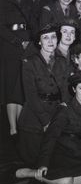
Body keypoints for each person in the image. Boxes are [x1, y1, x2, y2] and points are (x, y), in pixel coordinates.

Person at [15, 70, 81, 184]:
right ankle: (35, 174)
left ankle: (67, 179)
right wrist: (43, 163)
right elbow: (51, 137)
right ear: (74, 89)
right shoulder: (65, 110)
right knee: (65, 183)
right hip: (63, 155)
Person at [18, 24, 70, 166]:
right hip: (34, 119)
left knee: (58, 162)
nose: (50, 41)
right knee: (36, 162)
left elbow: (65, 90)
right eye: (45, 38)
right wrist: (46, 121)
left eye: (53, 37)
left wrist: (64, 112)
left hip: (56, 113)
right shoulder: (29, 63)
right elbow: (31, 96)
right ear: (39, 41)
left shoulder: (62, 62)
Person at [0, 0, 33, 137]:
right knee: (11, 87)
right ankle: (13, 128)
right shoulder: (3, 0)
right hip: (11, 49)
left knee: (21, 86)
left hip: (25, 46)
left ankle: (19, 125)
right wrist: (18, 41)